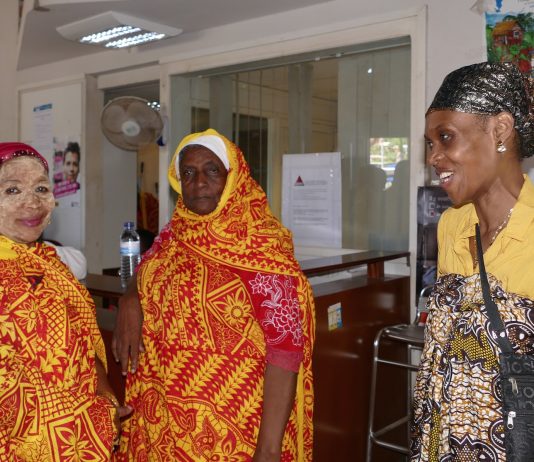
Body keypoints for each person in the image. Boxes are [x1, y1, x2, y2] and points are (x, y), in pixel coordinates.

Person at [112, 129, 315, 461]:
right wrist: (130, 297)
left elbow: (285, 348)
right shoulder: (175, 233)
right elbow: (147, 266)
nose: (199, 182)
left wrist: (268, 449)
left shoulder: (260, 245)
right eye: (188, 173)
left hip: (234, 425)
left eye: (212, 170)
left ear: (233, 177)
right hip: (164, 417)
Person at [411, 62, 534, 461]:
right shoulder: (452, 226)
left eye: (445, 137)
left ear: (500, 130)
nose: (434, 157)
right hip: (441, 440)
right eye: (430, 143)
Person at [0, 142, 131, 460]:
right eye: (13, 190)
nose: (32, 202)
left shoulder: (52, 265)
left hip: (80, 440)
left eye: (41, 188)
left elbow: (84, 342)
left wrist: (105, 397)